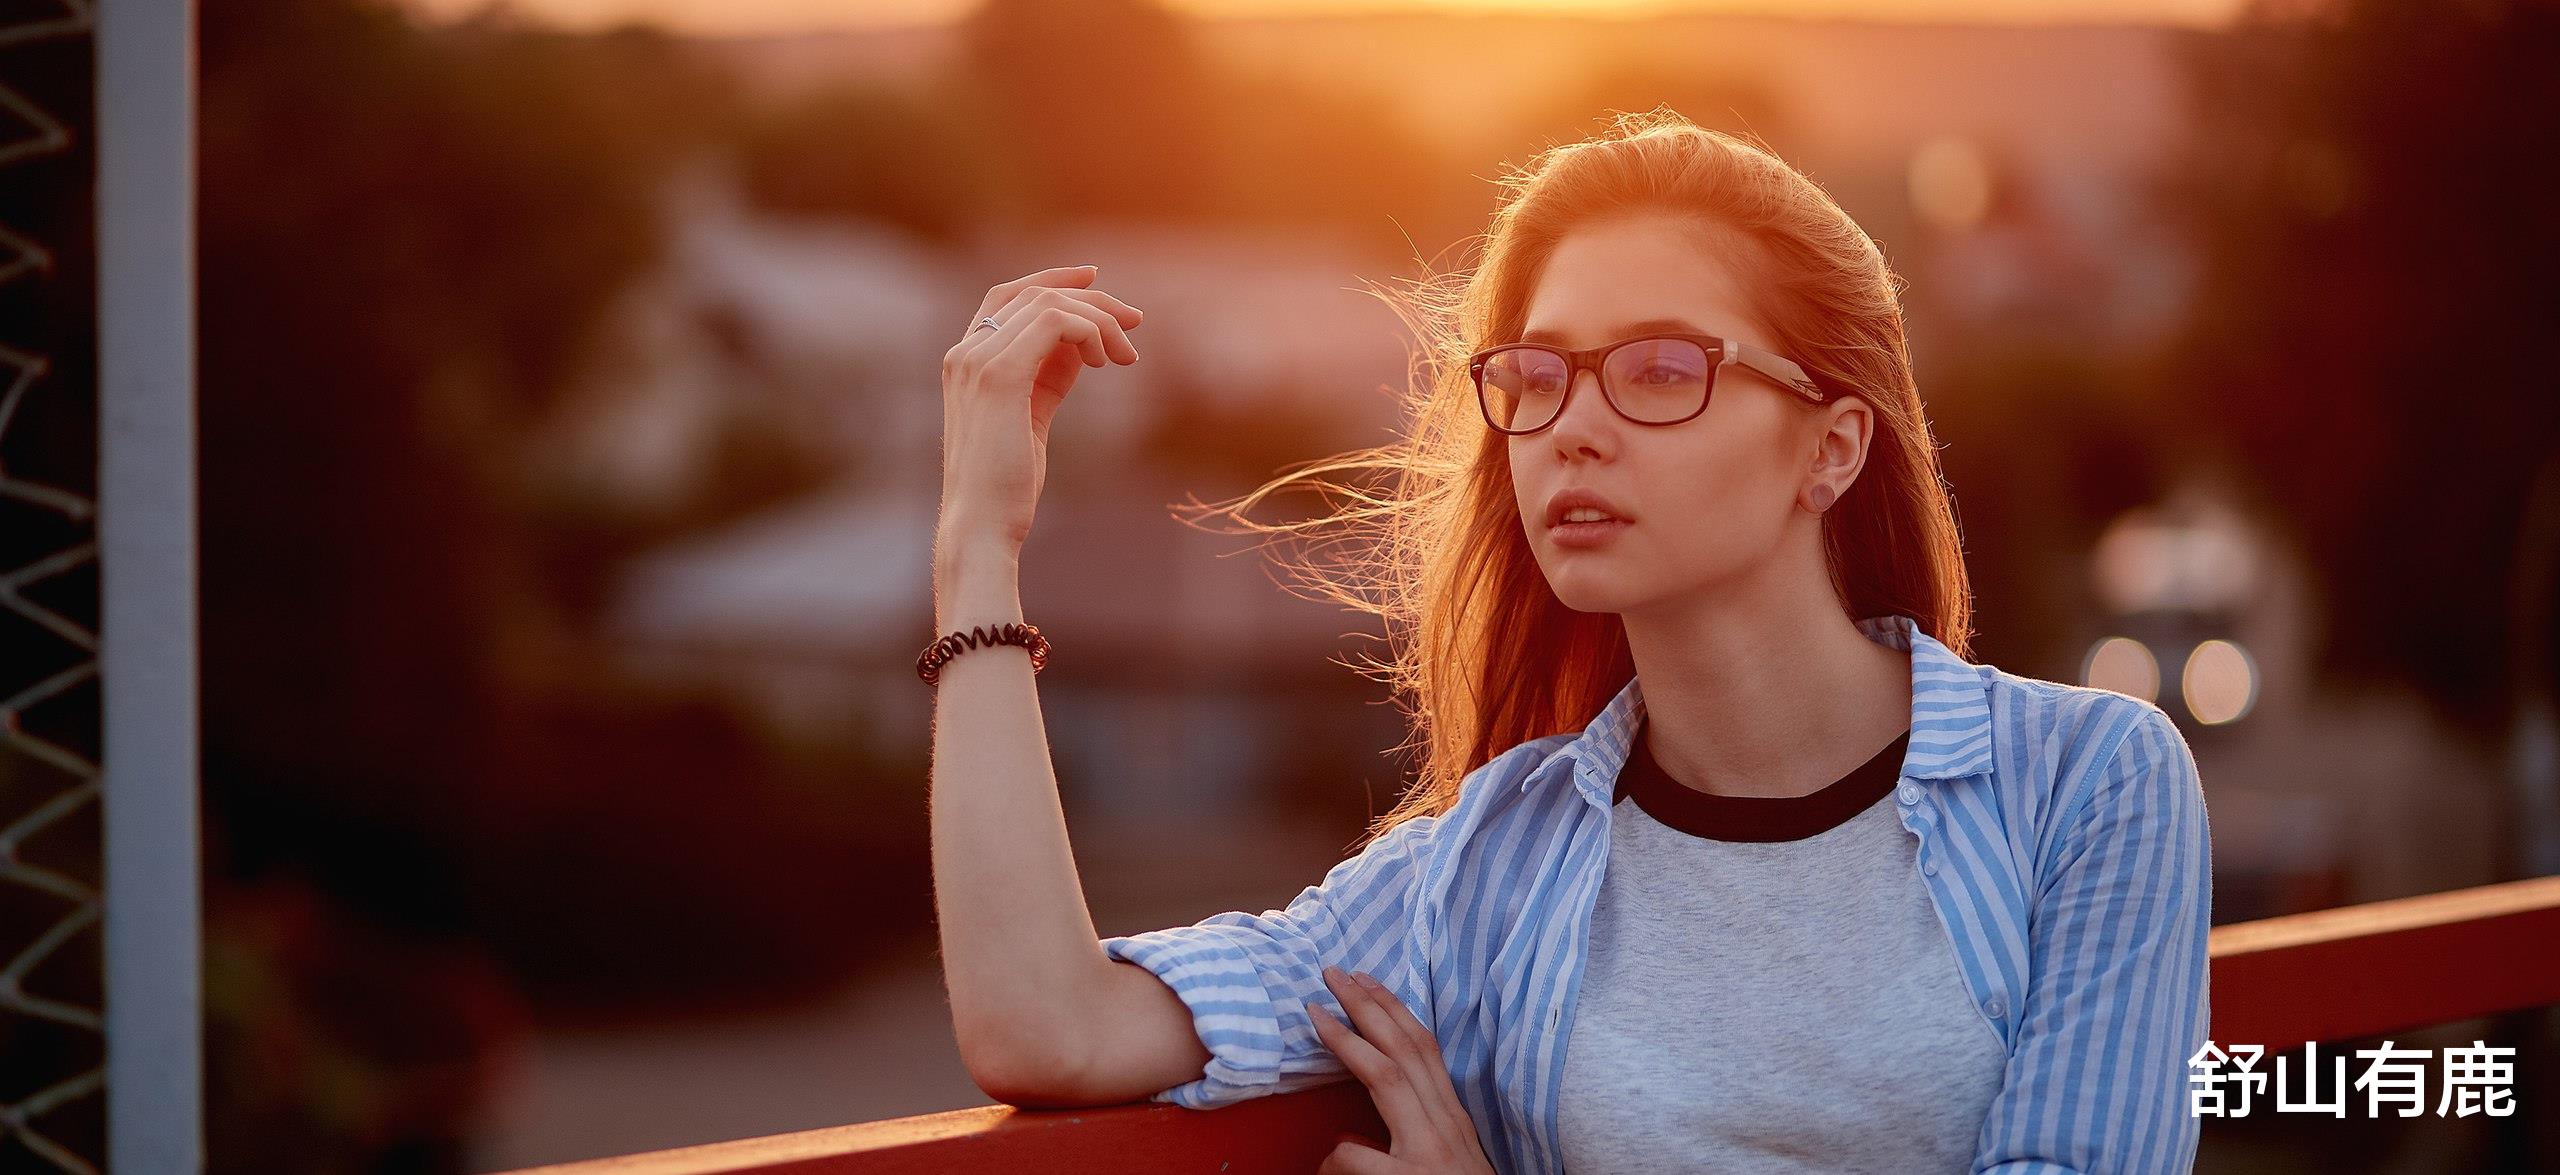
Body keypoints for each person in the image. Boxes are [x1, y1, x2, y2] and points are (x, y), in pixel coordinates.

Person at [929, 108, 2211, 1175]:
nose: (1569, 428)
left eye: (1659, 371)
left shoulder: (2086, 784)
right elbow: (1053, 1027)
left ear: (1830, 446)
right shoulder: (1491, 859)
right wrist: (976, 544)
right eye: (1536, 377)